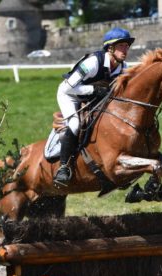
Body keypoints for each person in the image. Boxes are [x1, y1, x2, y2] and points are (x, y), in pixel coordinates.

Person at [53, 27, 135, 186]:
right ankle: (63, 167)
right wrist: (93, 89)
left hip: (92, 97)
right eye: (121, 46)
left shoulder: (124, 67)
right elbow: (68, 87)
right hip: (69, 95)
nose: (125, 50)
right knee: (76, 124)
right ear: (110, 48)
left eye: (127, 46)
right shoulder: (93, 62)